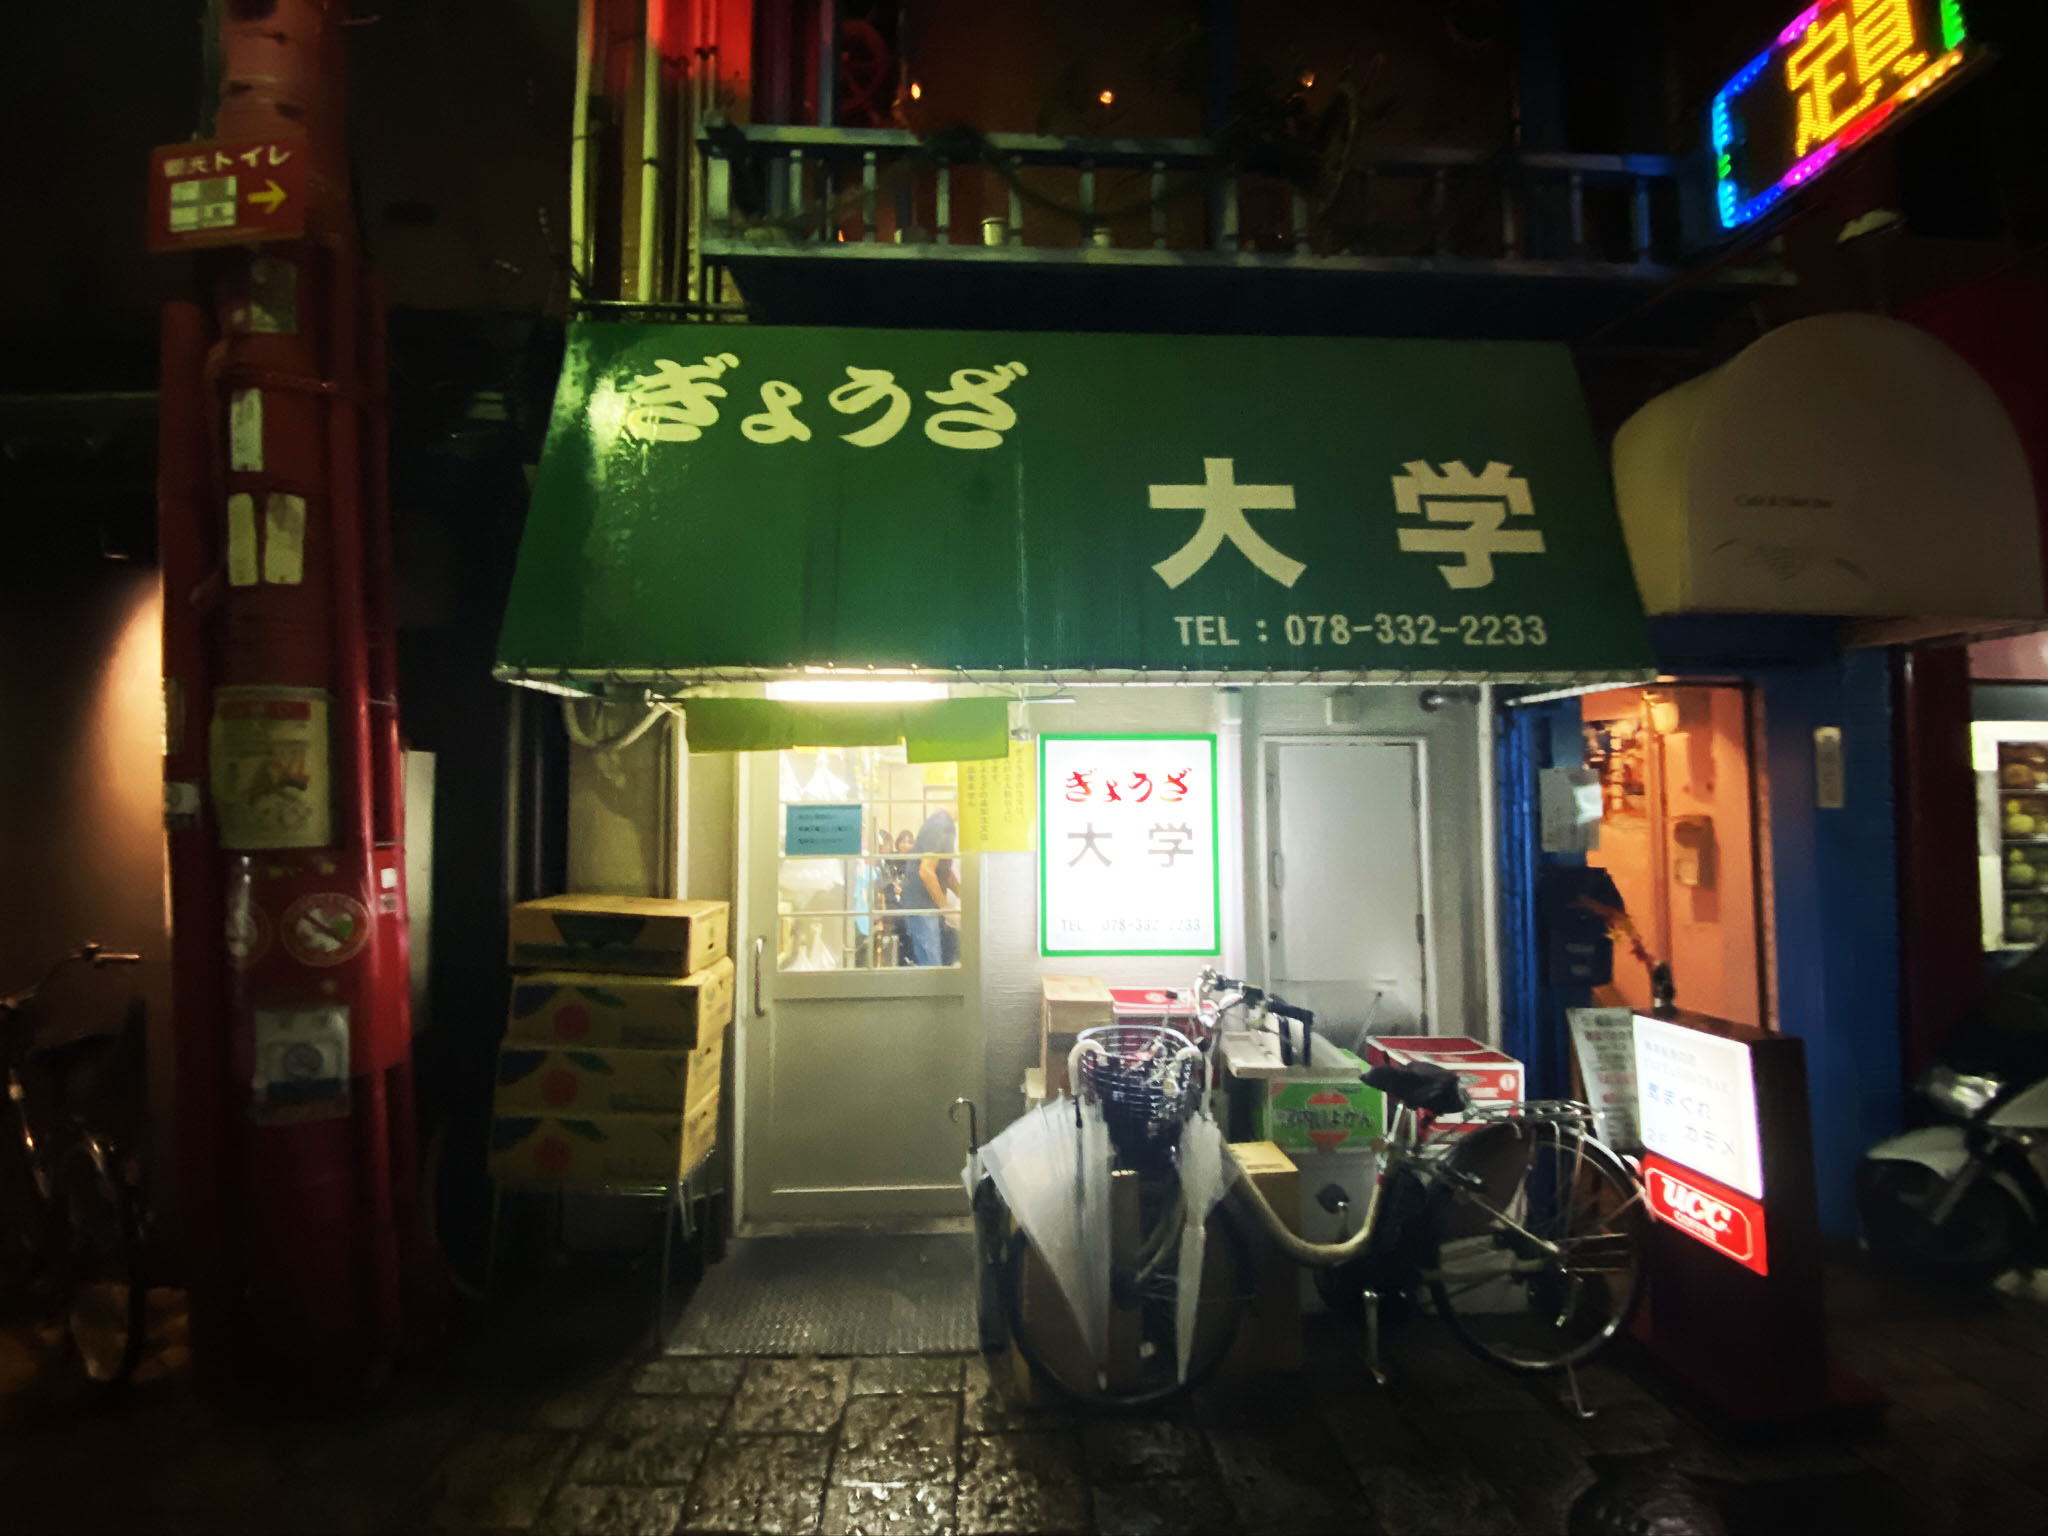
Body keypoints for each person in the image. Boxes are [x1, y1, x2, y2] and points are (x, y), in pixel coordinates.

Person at [899, 808, 958, 968]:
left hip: (926, 906)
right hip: (922, 906)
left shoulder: (945, 825)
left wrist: (964, 895)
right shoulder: (941, 825)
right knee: (931, 967)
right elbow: (926, 871)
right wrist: (945, 909)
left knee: (935, 964)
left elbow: (944, 870)